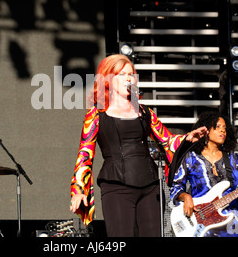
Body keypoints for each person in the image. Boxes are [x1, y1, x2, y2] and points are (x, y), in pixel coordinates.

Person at [69, 54, 207, 237]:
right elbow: (85, 153)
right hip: (116, 186)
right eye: (122, 74)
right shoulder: (96, 114)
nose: (128, 78)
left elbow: (167, 140)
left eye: (131, 74)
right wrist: (79, 189)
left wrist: (188, 137)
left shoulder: (144, 111)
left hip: (150, 187)